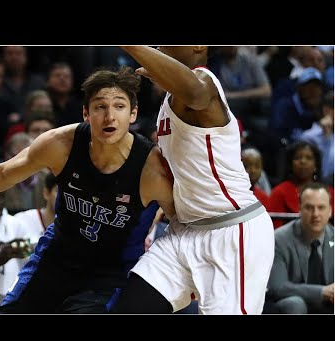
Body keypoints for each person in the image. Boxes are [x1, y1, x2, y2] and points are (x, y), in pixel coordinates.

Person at [0, 66, 175, 314]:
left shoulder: (153, 170)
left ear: (134, 113)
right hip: (56, 259)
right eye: (100, 106)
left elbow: (186, 224)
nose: (109, 116)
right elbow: (0, 174)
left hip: (111, 275)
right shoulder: (61, 144)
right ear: (86, 113)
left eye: (119, 106)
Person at [115, 46, 275, 314]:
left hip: (231, 232)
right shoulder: (168, 100)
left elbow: (194, 92)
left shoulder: (205, 82)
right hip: (182, 233)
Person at [266, 182, 333, 314]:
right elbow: (277, 287)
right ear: (299, 208)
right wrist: (322, 292)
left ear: (330, 210)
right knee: (295, 303)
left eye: (321, 207)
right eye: (309, 207)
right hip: (293, 303)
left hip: (329, 305)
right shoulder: (279, 239)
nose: (315, 214)